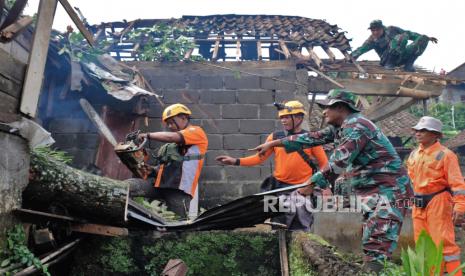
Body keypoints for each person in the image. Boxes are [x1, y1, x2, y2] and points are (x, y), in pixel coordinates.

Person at [251, 89, 413, 272]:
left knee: (377, 243)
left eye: (327, 108)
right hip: (373, 193)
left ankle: (373, 272)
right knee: (371, 240)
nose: (323, 112)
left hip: (389, 192)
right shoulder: (340, 128)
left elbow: (338, 161)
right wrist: (273, 143)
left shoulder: (357, 126)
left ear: (341, 108)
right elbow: (311, 138)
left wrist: (311, 185)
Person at [216, 100, 329, 231]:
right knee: (277, 225)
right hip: (278, 187)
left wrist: (324, 187)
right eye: (281, 118)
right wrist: (235, 161)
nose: (283, 120)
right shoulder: (275, 137)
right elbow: (259, 159)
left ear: (299, 117)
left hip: (302, 188)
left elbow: (324, 164)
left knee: (300, 225)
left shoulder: (310, 138)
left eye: (286, 117)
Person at [407, 116, 465, 275]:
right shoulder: (413, 155)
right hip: (418, 203)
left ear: (435, 135)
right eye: (417, 130)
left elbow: (458, 184)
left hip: (438, 201)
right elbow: (411, 180)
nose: (418, 133)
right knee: (422, 243)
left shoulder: (446, 155)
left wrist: (460, 206)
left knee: (443, 243)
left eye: (423, 130)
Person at [136, 103, 208, 219]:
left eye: (171, 122)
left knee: (177, 223)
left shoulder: (196, 132)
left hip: (179, 190)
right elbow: (171, 166)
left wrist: (147, 135)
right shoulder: (173, 145)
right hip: (159, 185)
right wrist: (152, 170)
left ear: (183, 118)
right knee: (128, 187)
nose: (169, 126)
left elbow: (171, 137)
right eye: (168, 123)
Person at [351, 19, 438, 72]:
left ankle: (409, 65)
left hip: (402, 56)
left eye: (377, 29)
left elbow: (409, 34)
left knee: (422, 38)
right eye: (373, 30)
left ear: (382, 28)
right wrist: (351, 57)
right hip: (387, 60)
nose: (375, 32)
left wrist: (427, 38)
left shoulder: (392, 30)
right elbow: (361, 49)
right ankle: (390, 64)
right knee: (400, 37)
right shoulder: (372, 40)